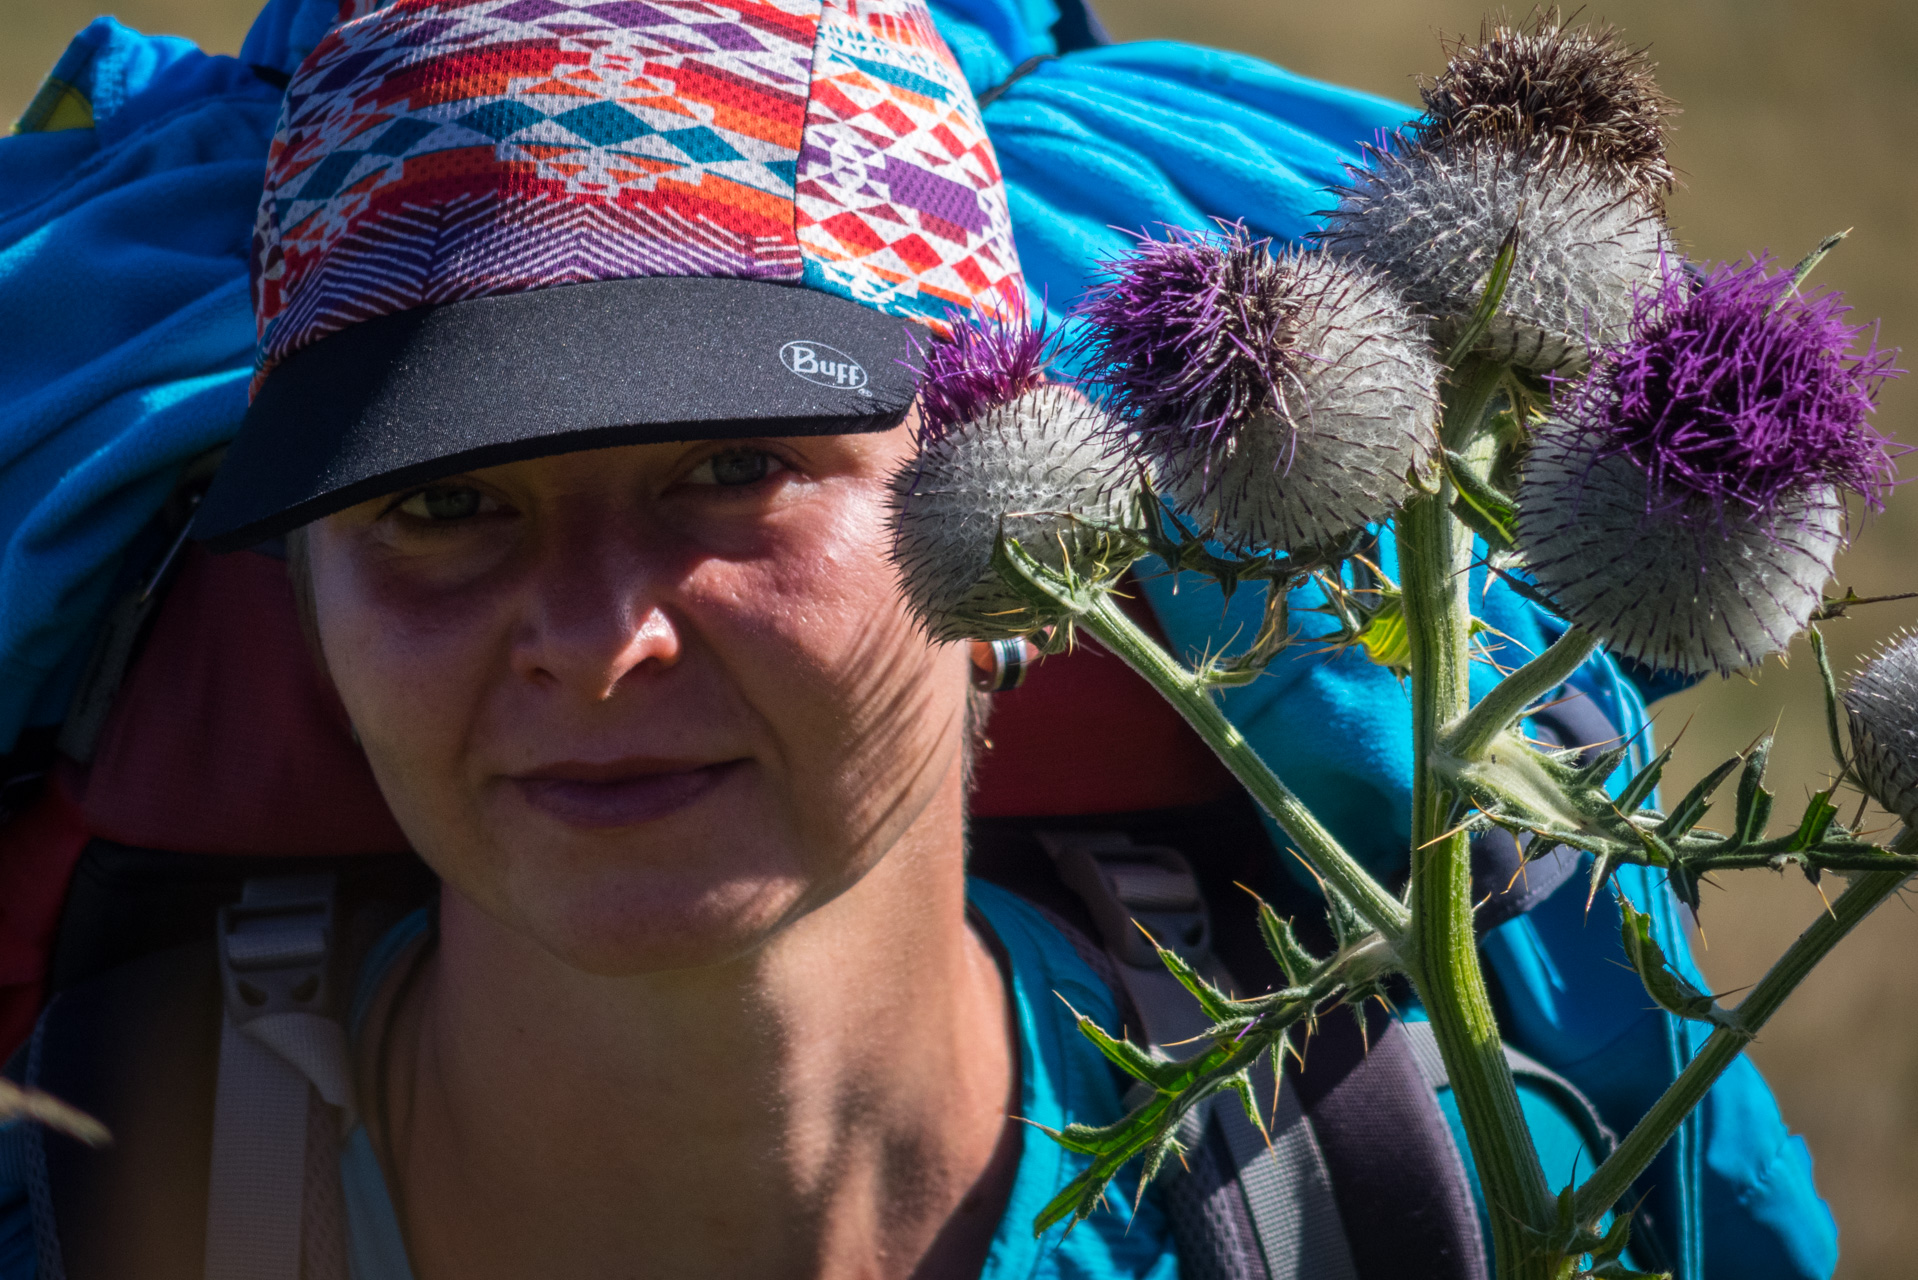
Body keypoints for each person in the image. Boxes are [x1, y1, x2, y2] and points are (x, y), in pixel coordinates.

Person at [0, 0, 1839, 1276]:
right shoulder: (63, 1202)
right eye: (440, 504)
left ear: (1012, 515)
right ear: (300, 598)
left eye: (730, 470)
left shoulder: (1457, 1169)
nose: (594, 638)